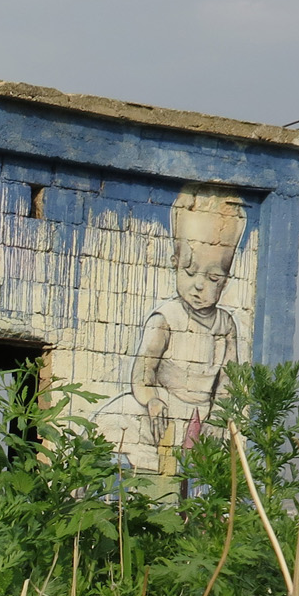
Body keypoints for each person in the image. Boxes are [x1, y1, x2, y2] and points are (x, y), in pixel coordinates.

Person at [97, 188, 247, 476]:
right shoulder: (166, 318)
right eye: (189, 273)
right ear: (175, 265)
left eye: (213, 277)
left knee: (223, 451)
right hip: (160, 409)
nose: (199, 285)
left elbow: (228, 382)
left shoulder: (225, 325)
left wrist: (218, 418)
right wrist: (151, 399)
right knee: (120, 425)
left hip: (201, 415)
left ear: (225, 281)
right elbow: (143, 371)